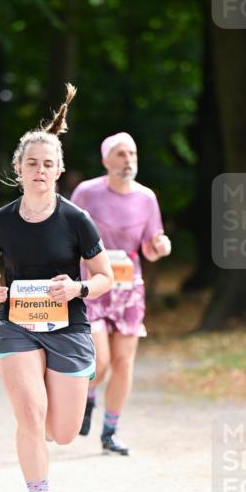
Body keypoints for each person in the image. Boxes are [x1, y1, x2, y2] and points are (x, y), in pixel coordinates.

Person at [0, 85, 113, 492]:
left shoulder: (75, 219)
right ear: (18, 169)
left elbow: (106, 276)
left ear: (59, 171)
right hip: (16, 327)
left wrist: (78, 286)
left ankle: (61, 419)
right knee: (30, 414)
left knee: (64, 431)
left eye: (48, 164)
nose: (39, 170)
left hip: (68, 326)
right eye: (31, 163)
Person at [71, 133, 171, 455]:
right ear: (105, 161)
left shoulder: (147, 198)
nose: (129, 159)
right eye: (120, 154)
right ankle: (86, 398)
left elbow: (150, 246)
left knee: (124, 362)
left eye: (133, 153)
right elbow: (67, 234)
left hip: (129, 290)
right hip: (93, 287)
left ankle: (110, 432)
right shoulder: (87, 193)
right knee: (100, 362)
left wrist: (160, 247)